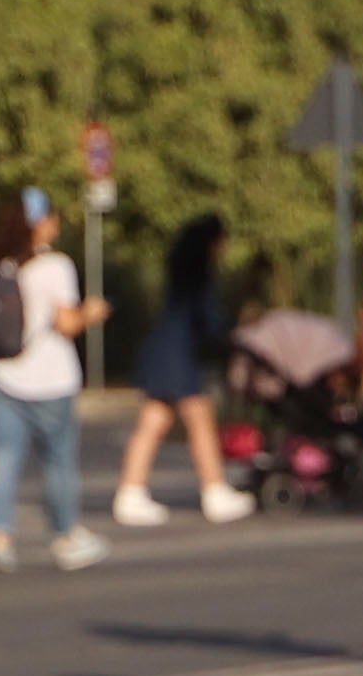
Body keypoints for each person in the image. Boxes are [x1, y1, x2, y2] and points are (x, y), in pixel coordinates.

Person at [0, 186, 109, 572]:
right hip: (50, 378)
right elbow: (65, 323)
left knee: (4, 456)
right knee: (59, 460)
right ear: (40, 222)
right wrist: (90, 313)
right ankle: (64, 535)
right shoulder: (54, 265)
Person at [110, 211, 256, 528]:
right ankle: (214, 489)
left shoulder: (180, 270)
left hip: (163, 351)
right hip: (176, 356)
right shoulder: (197, 277)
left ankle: (130, 491)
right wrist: (233, 331)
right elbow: (209, 320)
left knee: (154, 420)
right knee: (199, 418)